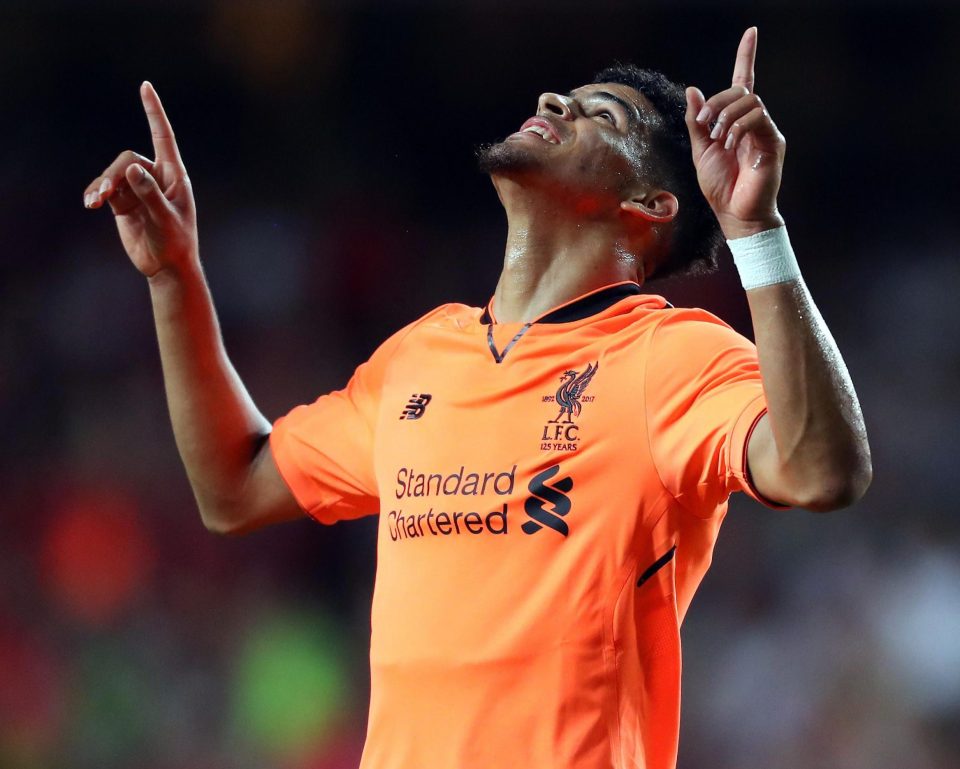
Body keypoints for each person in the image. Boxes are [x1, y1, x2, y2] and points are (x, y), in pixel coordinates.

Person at [83, 27, 871, 769]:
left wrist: (755, 230)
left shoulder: (666, 358)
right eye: (565, 94)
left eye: (605, 114)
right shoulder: (422, 357)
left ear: (652, 205)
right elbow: (235, 486)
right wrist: (173, 276)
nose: (559, 103)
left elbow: (820, 472)